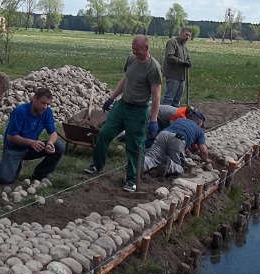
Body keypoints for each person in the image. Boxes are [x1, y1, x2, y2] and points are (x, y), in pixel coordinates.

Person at [84, 35, 163, 192]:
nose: (134, 52)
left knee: (134, 146)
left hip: (139, 110)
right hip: (122, 106)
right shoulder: (132, 59)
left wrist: (153, 120)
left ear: (146, 49)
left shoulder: (153, 68)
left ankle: (132, 179)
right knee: (104, 134)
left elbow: (156, 96)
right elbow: (126, 79)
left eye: (137, 50)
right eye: (132, 49)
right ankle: (97, 165)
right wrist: (111, 98)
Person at [0, 88, 66, 184]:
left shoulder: (47, 112)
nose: (45, 107)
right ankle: (16, 163)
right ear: (34, 99)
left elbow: (53, 133)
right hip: (14, 148)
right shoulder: (20, 111)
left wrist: (50, 143)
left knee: (59, 146)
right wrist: (31, 142)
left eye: (47, 104)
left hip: (32, 147)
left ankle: (39, 175)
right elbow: (11, 137)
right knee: (5, 180)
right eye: (43, 103)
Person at [144, 117, 211, 177]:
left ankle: (140, 166)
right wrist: (206, 159)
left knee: (152, 158)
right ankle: (169, 166)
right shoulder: (199, 130)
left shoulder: (181, 120)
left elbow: (185, 147)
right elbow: (203, 150)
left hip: (163, 134)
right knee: (179, 167)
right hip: (178, 138)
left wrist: (189, 154)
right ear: (199, 123)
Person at [162, 28, 192, 107]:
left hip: (182, 77)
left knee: (177, 101)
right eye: (186, 34)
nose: (187, 37)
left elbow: (187, 58)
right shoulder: (172, 42)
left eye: (189, 35)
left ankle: (174, 117)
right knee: (168, 99)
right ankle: (162, 117)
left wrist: (188, 62)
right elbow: (169, 57)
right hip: (173, 75)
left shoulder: (184, 46)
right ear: (181, 33)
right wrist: (183, 62)